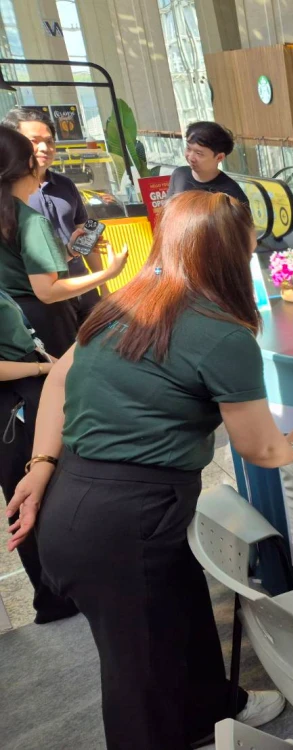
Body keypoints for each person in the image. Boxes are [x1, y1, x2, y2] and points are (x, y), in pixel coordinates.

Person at [5, 191, 293, 750]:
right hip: (122, 522)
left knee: (185, 605)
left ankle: (211, 710)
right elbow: (260, 449)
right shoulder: (222, 332)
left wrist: (42, 463)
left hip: (85, 501)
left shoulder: (126, 300)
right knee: (138, 679)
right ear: (231, 251)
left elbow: (57, 380)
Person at [0, 127, 127, 358]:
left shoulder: (9, 214)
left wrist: (68, 252)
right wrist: (109, 273)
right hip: (46, 319)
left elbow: (20, 265)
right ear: (26, 166)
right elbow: (47, 292)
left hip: (13, 317)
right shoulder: (31, 221)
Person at [0, 289, 78, 623]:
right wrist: (40, 370)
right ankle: (54, 595)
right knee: (32, 492)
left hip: (24, 392)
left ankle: (62, 590)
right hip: (13, 402)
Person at [3, 107, 105, 322]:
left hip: (81, 286)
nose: (44, 148)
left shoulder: (66, 184)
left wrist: (103, 287)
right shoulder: (9, 204)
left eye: (49, 141)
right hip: (40, 302)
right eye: (34, 140)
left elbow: (85, 234)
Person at [166, 121, 250, 206]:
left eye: (199, 153)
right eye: (188, 148)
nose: (191, 157)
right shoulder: (179, 175)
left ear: (219, 157)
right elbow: (167, 209)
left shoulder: (232, 193)